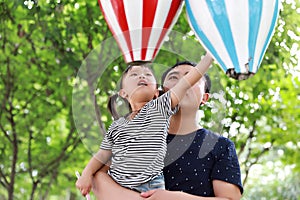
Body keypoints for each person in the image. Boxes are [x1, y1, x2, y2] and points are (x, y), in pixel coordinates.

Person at [91, 60, 243, 200]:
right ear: (161, 92)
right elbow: (97, 175)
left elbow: (230, 198)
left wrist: (176, 198)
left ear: (205, 97)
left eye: (190, 77)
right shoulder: (136, 133)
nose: (182, 82)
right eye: (173, 78)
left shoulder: (221, 146)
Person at [76, 54, 213, 196]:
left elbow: (186, 82)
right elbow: (103, 154)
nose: (142, 76)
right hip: (117, 185)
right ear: (123, 93)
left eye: (148, 74)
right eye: (134, 74)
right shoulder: (117, 125)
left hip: (149, 187)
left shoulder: (159, 108)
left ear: (155, 92)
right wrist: (86, 174)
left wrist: (209, 56)